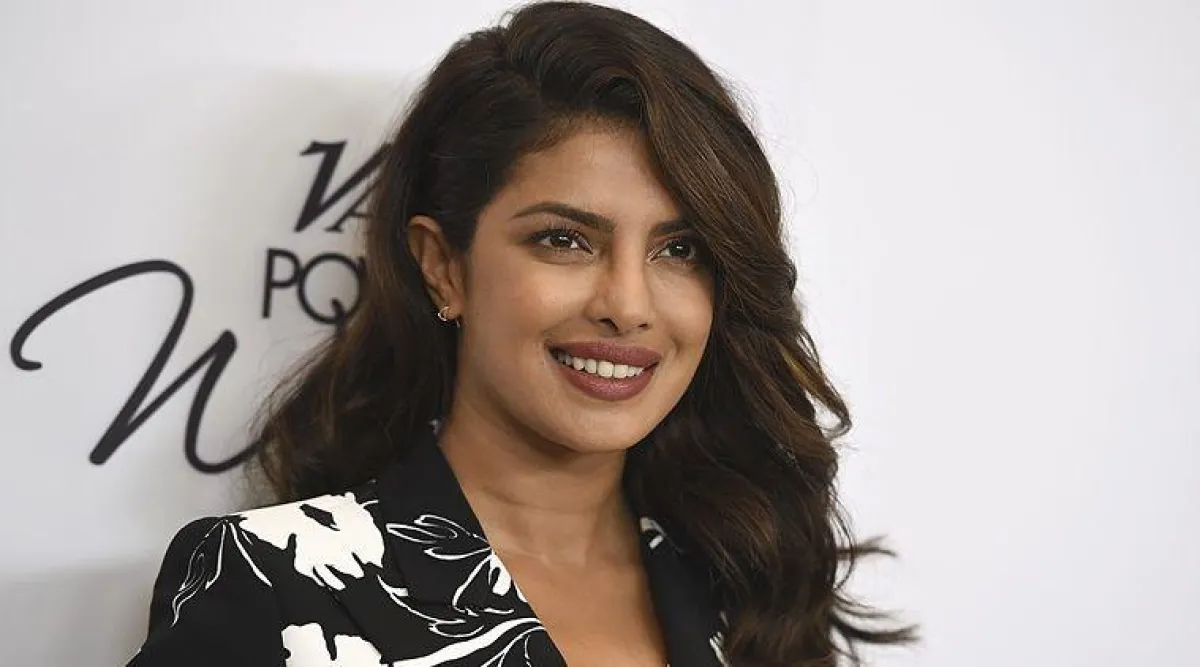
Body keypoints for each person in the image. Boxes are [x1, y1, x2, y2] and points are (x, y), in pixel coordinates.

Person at [126, 2, 917, 665]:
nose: (628, 304)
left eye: (681, 250)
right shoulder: (272, 586)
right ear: (444, 266)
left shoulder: (747, 590)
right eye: (565, 239)